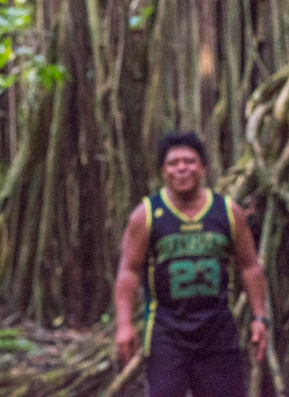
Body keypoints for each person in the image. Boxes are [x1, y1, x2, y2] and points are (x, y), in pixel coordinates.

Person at [114, 131, 268, 397]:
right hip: (166, 334)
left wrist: (259, 317)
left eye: (189, 161)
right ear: (163, 171)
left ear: (204, 168)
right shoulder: (146, 215)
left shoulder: (227, 212)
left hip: (218, 333)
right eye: (173, 163)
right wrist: (124, 324)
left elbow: (249, 266)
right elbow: (128, 271)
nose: (182, 169)